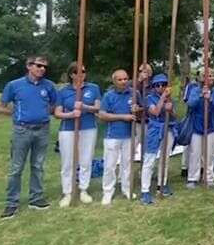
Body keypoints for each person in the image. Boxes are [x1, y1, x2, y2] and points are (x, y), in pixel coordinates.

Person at [0, 55, 57, 220]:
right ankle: (11, 203)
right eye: (39, 65)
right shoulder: (15, 85)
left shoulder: (49, 86)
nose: (42, 69)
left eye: (44, 67)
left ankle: (36, 199)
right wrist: (15, 114)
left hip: (42, 130)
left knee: (38, 165)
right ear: (29, 66)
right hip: (22, 130)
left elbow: (53, 106)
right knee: (16, 168)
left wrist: (43, 113)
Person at [54, 62, 101, 207]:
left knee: (86, 160)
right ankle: (67, 192)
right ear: (72, 74)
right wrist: (71, 114)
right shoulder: (63, 91)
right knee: (68, 162)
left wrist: (85, 107)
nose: (81, 75)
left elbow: (98, 108)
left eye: (84, 71)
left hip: (88, 128)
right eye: (78, 72)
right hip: (68, 129)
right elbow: (57, 113)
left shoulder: (93, 88)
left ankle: (83, 189)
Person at [98, 69, 141, 205]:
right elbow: (102, 115)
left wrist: (137, 110)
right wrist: (123, 116)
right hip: (112, 136)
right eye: (120, 79)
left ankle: (127, 189)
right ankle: (107, 192)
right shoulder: (108, 96)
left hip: (129, 135)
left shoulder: (134, 93)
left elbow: (141, 112)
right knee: (110, 165)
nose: (123, 82)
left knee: (127, 164)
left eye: (125, 79)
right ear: (114, 81)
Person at [140, 73, 176, 204]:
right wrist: (162, 98)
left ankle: (162, 184)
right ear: (154, 86)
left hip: (168, 129)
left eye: (164, 84)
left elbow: (175, 115)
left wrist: (170, 109)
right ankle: (145, 190)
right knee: (149, 159)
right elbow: (155, 112)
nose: (161, 87)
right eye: (158, 85)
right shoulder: (149, 98)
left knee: (164, 159)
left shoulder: (170, 98)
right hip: (155, 130)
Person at [186, 68, 214, 189]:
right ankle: (193, 178)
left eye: (213, 76)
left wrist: (210, 98)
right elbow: (191, 104)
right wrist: (201, 95)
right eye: (209, 76)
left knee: (209, 153)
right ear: (202, 77)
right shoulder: (195, 90)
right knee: (195, 153)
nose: (211, 78)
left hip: (211, 126)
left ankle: (209, 177)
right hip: (197, 125)